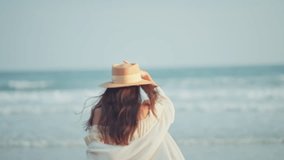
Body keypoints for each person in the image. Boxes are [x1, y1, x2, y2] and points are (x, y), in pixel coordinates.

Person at [84, 61, 185, 160]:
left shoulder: (99, 113)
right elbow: (167, 107)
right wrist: (149, 83)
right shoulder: (145, 110)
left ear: (111, 89)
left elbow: (96, 152)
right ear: (137, 88)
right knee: (159, 133)